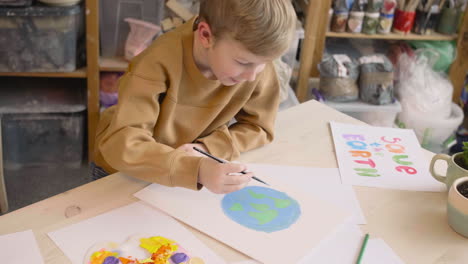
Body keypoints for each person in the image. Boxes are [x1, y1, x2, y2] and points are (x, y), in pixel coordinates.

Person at [92, 0, 296, 194]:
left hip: (184, 171)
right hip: (126, 171)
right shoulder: (154, 65)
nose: (252, 76)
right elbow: (123, 143)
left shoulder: (255, 62)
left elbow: (259, 127)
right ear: (206, 35)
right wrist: (196, 170)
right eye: (243, 62)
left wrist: (207, 148)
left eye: (264, 63)